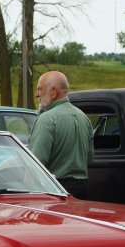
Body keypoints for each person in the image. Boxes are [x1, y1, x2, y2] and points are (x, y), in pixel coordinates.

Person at [28, 71, 94, 199]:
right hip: (83, 188)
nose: (37, 95)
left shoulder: (46, 119)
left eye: (40, 89)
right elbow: (90, 158)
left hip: (56, 189)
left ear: (53, 92)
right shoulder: (84, 117)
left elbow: (36, 162)